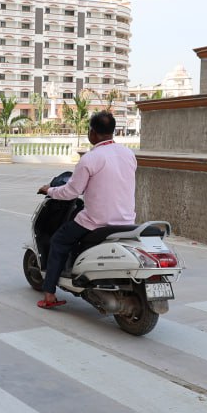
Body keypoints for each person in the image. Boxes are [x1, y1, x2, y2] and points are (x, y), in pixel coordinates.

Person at [36, 110, 136, 308]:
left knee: (59, 240)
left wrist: (50, 190)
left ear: (93, 133)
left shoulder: (90, 158)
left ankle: (49, 295)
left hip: (97, 221)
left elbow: (71, 192)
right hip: (126, 221)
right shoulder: (129, 154)